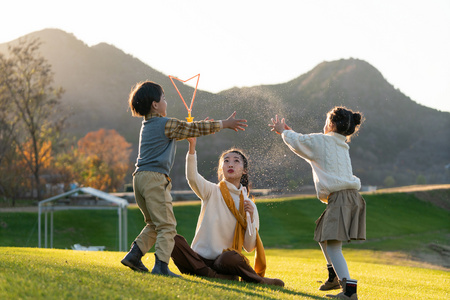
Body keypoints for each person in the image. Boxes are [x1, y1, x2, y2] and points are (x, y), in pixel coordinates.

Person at [121, 81, 247, 277]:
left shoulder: (148, 125)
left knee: (155, 224)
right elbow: (191, 129)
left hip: (139, 178)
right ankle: (161, 267)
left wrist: (196, 128)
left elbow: (189, 129)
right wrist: (224, 124)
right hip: (154, 179)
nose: (165, 101)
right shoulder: (166, 123)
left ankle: (134, 255)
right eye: (163, 98)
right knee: (167, 226)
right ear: (155, 104)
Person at [269, 106, 366, 299]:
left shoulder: (324, 140)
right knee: (324, 235)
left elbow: (300, 142)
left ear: (330, 124)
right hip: (350, 197)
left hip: (340, 198)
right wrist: (289, 132)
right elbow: (306, 146)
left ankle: (349, 292)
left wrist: (283, 131)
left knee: (333, 246)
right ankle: (333, 277)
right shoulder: (339, 144)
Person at [170, 137, 284, 286]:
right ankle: (219, 277)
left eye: (236, 161)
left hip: (223, 263)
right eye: (226, 161)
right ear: (221, 169)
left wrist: (249, 219)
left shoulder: (248, 204)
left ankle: (211, 275)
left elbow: (249, 247)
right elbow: (192, 178)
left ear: (244, 171)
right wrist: (192, 147)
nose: (230, 164)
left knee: (232, 258)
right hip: (198, 258)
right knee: (171, 239)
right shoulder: (211, 191)